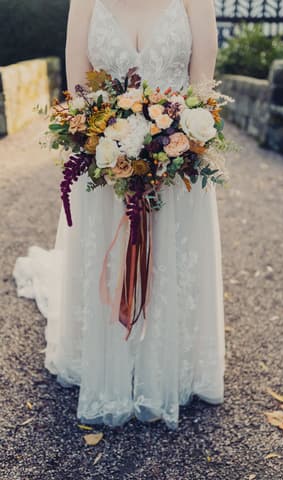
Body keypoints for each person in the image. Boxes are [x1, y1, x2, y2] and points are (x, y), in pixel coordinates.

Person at [13, 0, 225, 430]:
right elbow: (77, 96)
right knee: (108, 268)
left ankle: (165, 366)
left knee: (170, 266)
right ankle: (107, 358)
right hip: (105, 170)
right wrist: (105, 147)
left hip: (176, 170)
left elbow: (203, 93)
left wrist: (174, 144)